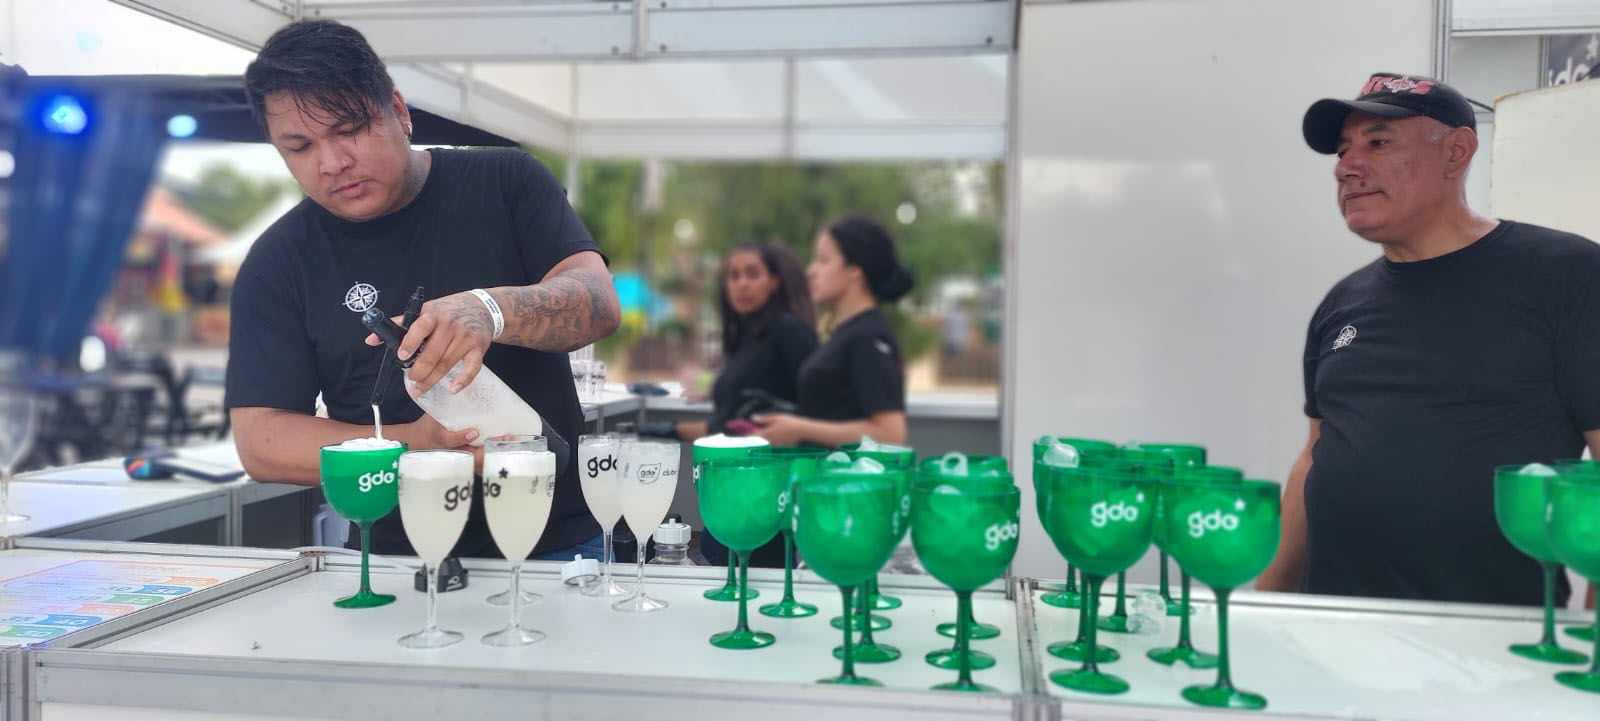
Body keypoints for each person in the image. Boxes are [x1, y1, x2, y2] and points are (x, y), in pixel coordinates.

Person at [224, 20, 620, 562]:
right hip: (397, 556)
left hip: (559, 540)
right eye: (300, 146)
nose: (331, 162)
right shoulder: (278, 261)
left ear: (399, 110)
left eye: (349, 129)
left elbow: (598, 302)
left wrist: (490, 311)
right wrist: (414, 442)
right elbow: (261, 442)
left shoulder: (507, 181)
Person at [1256, 73, 1600, 606]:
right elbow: (1314, 458)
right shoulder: (1343, 301)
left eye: (1377, 142)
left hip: (1492, 637)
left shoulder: (1566, 274)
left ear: (1456, 152)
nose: (1346, 167)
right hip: (1333, 628)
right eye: (1343, 151)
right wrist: (1265, 604)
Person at [673, 244, 818, 567]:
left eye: (752, 275)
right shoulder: (747, 334)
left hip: (767, 493)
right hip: (734, 491)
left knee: (759, 579)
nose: (741, 284)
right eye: (733, 276)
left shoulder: (789, 331)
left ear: (775, 282)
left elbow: (814, 405)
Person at [755, 217, 912, 448]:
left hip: (849, 471)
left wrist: (800, 429)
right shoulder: (846, 332)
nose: (811, 271)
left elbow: (891, 433)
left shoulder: (868, 336)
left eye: (823, 260)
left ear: (855, 270)